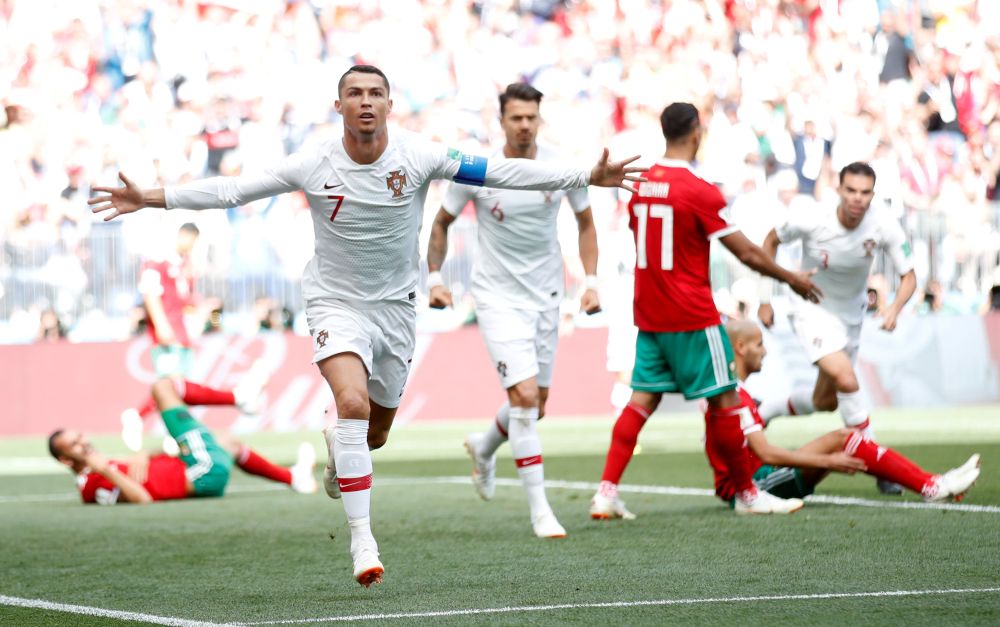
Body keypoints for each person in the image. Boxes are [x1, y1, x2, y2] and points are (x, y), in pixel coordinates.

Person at [88, 64, 643, 587]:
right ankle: (363, 542)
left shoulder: (421, 155)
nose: (366, 101)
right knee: (351, 405)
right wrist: (151, 199)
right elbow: (233, 190)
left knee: (373, 434)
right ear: (339, 105)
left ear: (390, 105)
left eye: (375, 93)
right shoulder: (314, 162)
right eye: (355, 93)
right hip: (335, 303)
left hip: (398, 309)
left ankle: (341, 451)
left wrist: (586, 175)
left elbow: (500, 171)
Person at [588, 102, 823, 520]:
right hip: (691, 315)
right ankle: (749, 495)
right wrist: (791, 278)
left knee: (639, 401)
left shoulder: (641, 186)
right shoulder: (698, 190)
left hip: (650, 313)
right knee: (726, 398)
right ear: (696, 132)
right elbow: (748, 252)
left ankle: (606, 492)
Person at [426, 83, 600, 539]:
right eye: (515, 118)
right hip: (497, 298)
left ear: (539, 119)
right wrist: (435, 278)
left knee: (536, 405)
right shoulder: (477, 169)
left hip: (546, 295)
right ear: (501, 121)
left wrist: (591, 282)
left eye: (531, 117)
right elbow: (441, 221)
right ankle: (541, 512)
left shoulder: (560, 163)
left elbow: (586, 221)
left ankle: (484, 448)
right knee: (523, 399)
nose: (524, 125)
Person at [756, 162, 918, 494]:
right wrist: (765, 297)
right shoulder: (812, 216)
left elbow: (910, 277)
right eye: (851, 191)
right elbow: (769, 242)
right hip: (810, 307)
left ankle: (768, 408)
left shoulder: (884, 224)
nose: (858, 199)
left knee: (827, 401)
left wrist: (894, 309)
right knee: (847, 378)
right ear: (839, 190)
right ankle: (880, 467)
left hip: (852, 317)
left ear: (873, 194)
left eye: (865, 193)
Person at [712, 319, 980, 505]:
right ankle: (930, 486)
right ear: (740, 347)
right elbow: (766, 453)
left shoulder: (733, 393)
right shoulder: (734, 397)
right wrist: (828, 461)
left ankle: (930, 483)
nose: (765, 351)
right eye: (759, 344)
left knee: (843, 439)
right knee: (841, 440)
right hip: (752, 489)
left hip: (759, 477)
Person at [48, 377, 318, 505]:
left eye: (80, 436)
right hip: (200, 472)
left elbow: (137, 472)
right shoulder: (90, 484)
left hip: (196, 467)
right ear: (65, 459)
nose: (84, 443)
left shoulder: (103, 465)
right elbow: (141, 499)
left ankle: (293, 478)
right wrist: (106, 469)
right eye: (75, 445)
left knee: (228, 442)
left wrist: (144, 454)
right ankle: (239, 398)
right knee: (163, 387)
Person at [119, 222, 202, 451]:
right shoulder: (157, 260)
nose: (191, 247)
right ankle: (136, 416)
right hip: (168, 332)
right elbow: (150, 295)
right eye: (191, 241)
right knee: (171, 385)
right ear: (182, 235)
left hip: (181, 333)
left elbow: (185, 300)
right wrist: (162, 325)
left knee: (177, 386)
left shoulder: (182, 265)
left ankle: (173, 435)